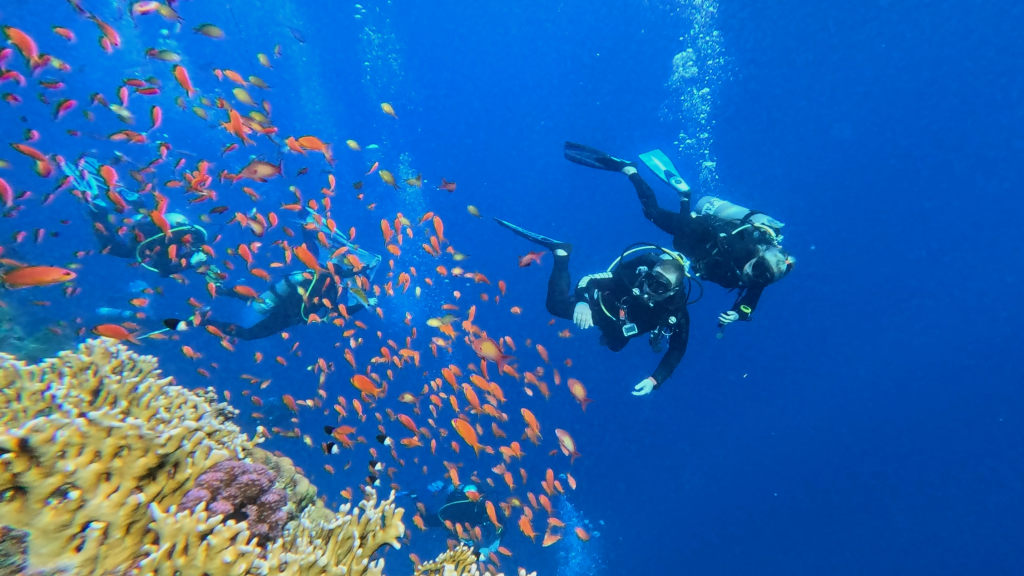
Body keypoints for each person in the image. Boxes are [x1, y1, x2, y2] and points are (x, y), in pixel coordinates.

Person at [564, 142, 795, 331]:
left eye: (763, 278)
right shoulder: (740, 246)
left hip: (694, 251)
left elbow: (750, 303)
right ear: (759, 254)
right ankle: (630, 170)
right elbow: (692, 229)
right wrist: (686, 206)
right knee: (652, 213)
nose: (754, 276)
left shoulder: (758, 279)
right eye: (758, 269)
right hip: (697, 234)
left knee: (673, 233)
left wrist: (737, 314)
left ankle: (681, 196)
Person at [495, 218, 692, 395]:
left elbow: (677, 349)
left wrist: (655, 379)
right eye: (651, 279)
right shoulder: (632, 277)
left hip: (623, 327)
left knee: (616, 345)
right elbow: (590, 279)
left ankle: (611, 334)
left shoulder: (676, 311)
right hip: (601, 308)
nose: (650, 288)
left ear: (673, 290)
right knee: (555, 306)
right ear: (648, 273)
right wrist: (583, 301)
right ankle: (561, 254)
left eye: (661, 286)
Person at [205, 214, 381, 341]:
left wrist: (307, 229)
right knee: (249, 334)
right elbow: (340, 311)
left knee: (252, 299)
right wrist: (363, 304)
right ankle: (204, 321)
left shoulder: (316, 272)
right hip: (287, 316)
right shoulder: (331, 289)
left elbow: (311, 249)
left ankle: (219, 291)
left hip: (279, 300)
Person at [58, 154, 217, 279]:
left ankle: (113, 198)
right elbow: (167, 268)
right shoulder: (195, 245)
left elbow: (164, 270)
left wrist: (189, 262)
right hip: (156, 230)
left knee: (140, 222)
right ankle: (107, 200)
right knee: (126, 241)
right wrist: (191, 260)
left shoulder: (181, 256)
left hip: (152, 232)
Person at [423, 481, 504, 557]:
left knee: (473, 550)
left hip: (467, 527)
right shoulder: (455, 507)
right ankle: (443, 487)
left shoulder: (482, 507)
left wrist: (497, 542)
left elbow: (501, 524)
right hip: (455, 521)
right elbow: (434, 520)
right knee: (429, 521)